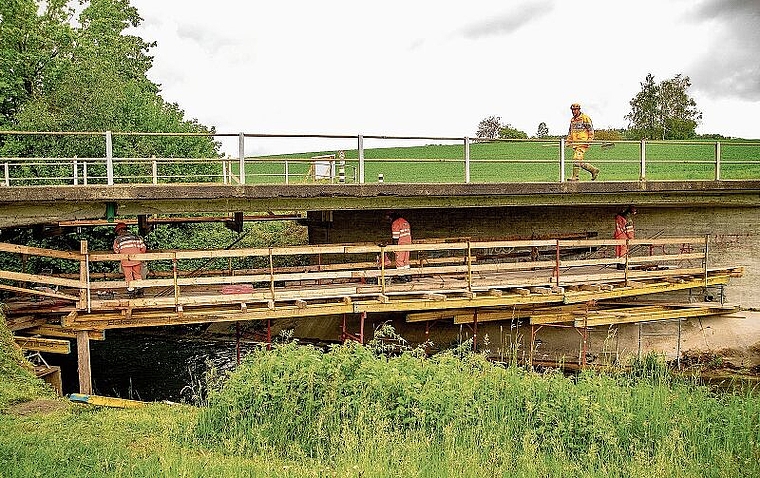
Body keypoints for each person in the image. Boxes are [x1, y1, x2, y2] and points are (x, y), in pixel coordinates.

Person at [566, 103, 599, 181]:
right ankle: (593, 170)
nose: (574, 111)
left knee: (576, 158)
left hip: (583, 142)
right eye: (572, 110)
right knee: (579, 161)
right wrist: (568, 141)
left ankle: (575, 177)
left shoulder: (585, 118)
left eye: (575, 110)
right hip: (575, 143)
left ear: (579, 110)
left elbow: (590, 130)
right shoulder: (572, 120)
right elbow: (571, 132)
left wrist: (590, 139)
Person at [113, 222, 147, 296]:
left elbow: (116, 251)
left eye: (117, 232)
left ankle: (131, 291)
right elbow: (143, 247)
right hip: (137, 260)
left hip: (125, 261)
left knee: (128, 276)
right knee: (137, 274)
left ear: (120, 231)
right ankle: (140, 289)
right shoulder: (136, 237)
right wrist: (140, 255)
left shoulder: (118, 240)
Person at [387, 211, 412, 282]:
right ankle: (409, 276)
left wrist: (394, 248)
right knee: (406, 261)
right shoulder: (405, 222)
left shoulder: (395, 223)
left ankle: (402, 277)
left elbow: (395, 238)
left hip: (401, 244)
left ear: (392, 217)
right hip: (408, 244)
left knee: (399, 261)